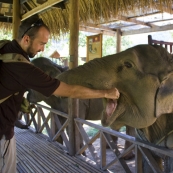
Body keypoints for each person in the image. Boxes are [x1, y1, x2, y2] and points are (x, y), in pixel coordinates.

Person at [0, 15, 119, 173]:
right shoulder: (23, 67)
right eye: (41, 44)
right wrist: (106, 92)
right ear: (27, 39)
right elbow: (70, 91)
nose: (43, 49)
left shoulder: (4, 48)